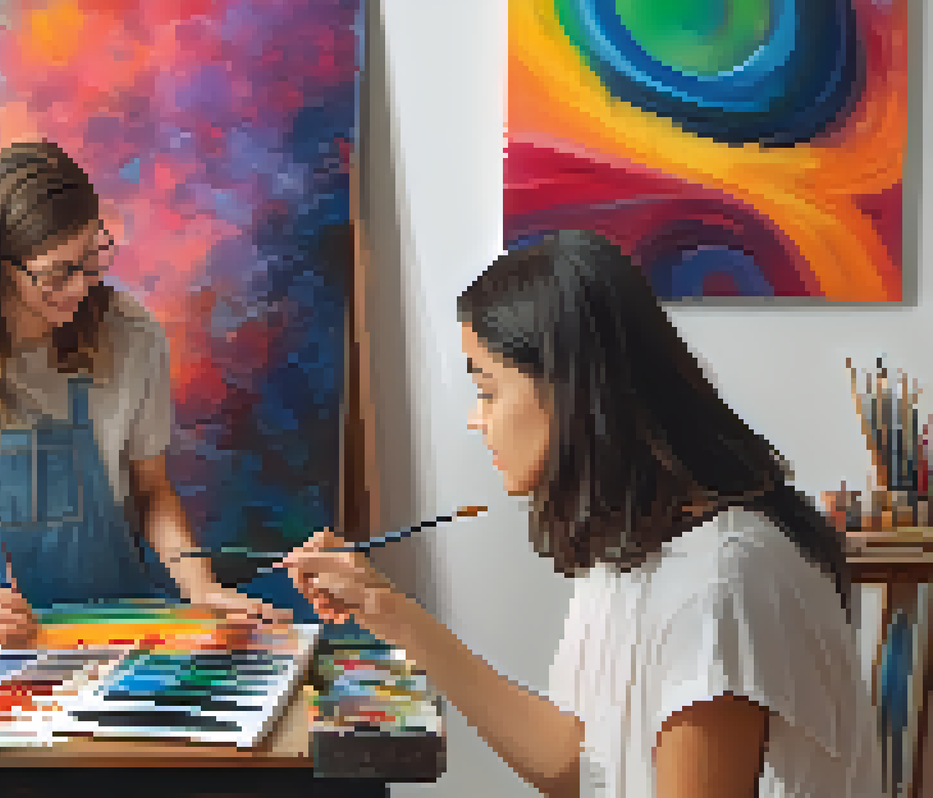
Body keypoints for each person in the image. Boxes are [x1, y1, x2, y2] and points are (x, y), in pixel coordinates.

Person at [280, 230, 877, 797]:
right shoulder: (637, 544)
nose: (474, 418)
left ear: (569, 391)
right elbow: (576, 766)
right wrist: (395, 614)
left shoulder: (719, 587)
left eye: (487, 389)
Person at [0, 140, 284, 646]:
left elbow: (152, 491)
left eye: (92, 258)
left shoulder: (132, 334)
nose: (82, 286)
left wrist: (199, 584)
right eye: (56, 273)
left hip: (107, 630)